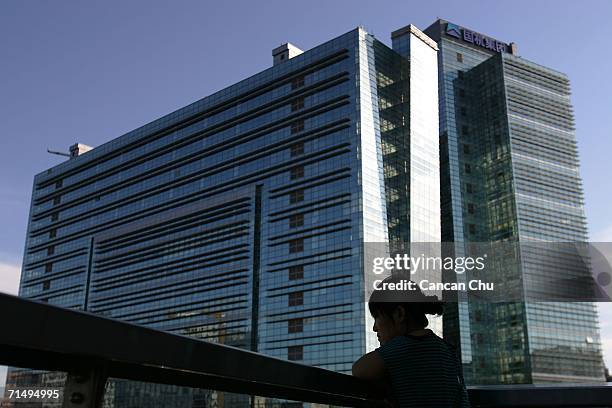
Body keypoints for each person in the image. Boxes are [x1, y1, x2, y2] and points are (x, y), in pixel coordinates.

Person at [352, 274, 469, 407]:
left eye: (377, 317)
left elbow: (359, 369)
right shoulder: (447, 350)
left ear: (399, 314)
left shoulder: (404, 346)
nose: (374, 328)